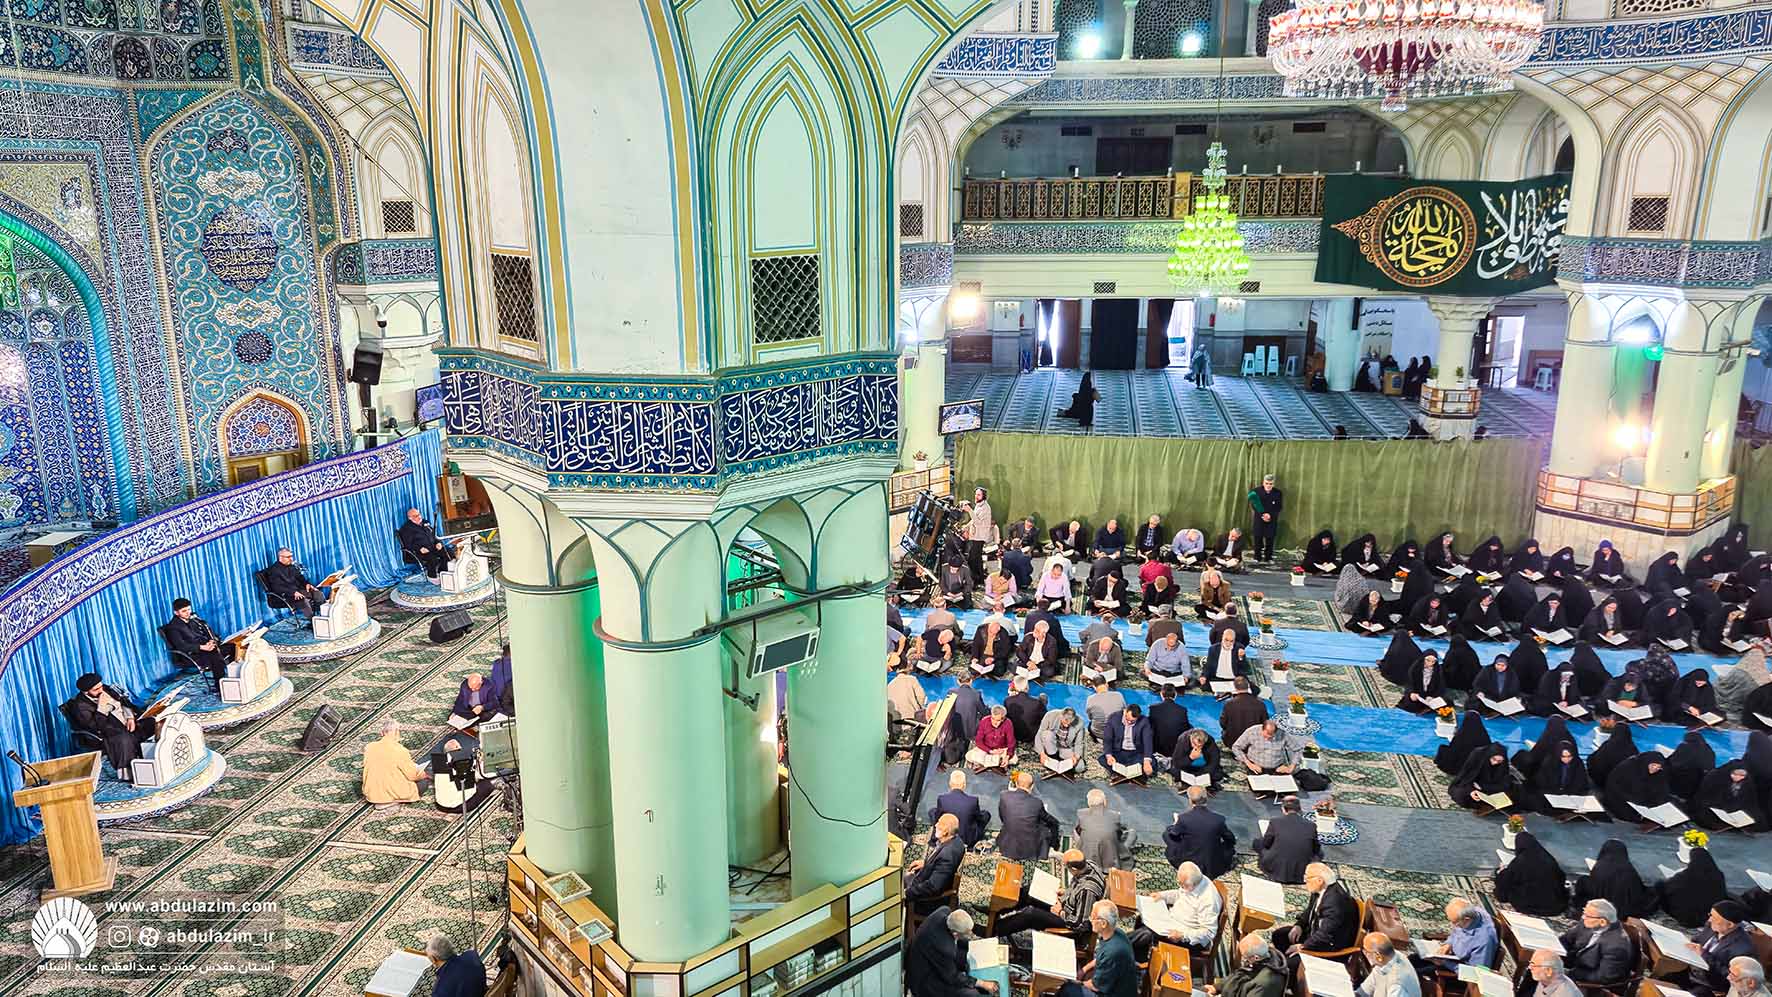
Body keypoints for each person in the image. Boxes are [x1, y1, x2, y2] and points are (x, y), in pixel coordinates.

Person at [993, 849, 1104, 942]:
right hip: (1066, 905)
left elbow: (1081, 925)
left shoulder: (1087, 891)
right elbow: (1078, 889)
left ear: (1074, 869)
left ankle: (995, 930)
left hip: (1069, 921)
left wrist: (1060, 912)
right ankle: (996, 911)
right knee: (1030, 891)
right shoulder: (1090, 865)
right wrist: (1067, 892)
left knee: (1031, 915)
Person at [66, 673, 157, 777]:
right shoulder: (80, 707)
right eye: (96, 689)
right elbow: (96, 727)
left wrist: (130, 717)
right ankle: (128, 772)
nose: (101, 690)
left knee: (152, 722)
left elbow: (124, 702)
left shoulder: (105, 689)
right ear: (86, 692)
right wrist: (101, 707)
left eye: (101, 686)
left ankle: (155, 755)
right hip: (109, 730)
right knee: (123, 738)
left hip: (127, 721)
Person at [1129, 862, 1221, 961]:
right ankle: (1135, 955)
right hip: (1173, 922)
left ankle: (1122, 947)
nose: (1181, 887)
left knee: (1148, 934)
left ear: (1192, 884)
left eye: (1183, 885)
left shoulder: (1209, 901)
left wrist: (1183, 935)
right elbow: (1179, 894)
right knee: (1143, 919)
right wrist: (1162, 896)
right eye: (1179, 883)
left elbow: (1208, 933)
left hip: (1190, 938)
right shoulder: (1194, 881)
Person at [1272, 863, 1358, 965]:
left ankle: (1286, 966)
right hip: (1315, 933)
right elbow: (1310, 910)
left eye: (1307, 878)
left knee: (1291, 963)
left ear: (1320, 880)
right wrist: (1299, 925)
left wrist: (1303, 947)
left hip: (1326, 947)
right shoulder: (1321, 889)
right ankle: (1283, 960)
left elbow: (1325, 935)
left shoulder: (1334, 904)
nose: (1305, 881)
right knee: (1279, 935)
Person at [907, 907, 998, 997]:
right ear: (955, 934)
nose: (971, 935)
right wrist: (982, 983)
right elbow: (952, 977)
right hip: (924, 979)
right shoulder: (945, 948)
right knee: (972, 994)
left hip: (929, 956)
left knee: (966, 956)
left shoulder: (944, 911)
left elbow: (960, 940)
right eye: (968, 933)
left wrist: (975, 944)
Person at [1057, 901, 1138, 997]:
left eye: (1093, 917)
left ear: (1103, 923)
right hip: (1112, 983)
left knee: (1067, 989)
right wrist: (1083, 970)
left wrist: (1076, 982)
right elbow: (1100, 957)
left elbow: (1096, 986)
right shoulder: (1115, 933)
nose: (1090, 920)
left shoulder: (1112, 952)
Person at [1571, 840, 1656, 920]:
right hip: (1627, 912)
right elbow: (1639, 891)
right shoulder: (1629, 870)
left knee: (1583, 881)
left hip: (1600, 912)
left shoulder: (1600, 868)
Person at [1559, 899, 1637, 986]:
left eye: (1587, 916)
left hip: (1588, 978)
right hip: (1575, 961)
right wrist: (1556, 953)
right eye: (1584, 913)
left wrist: (1570, 973)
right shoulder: (1589, 922)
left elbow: (1604, 976)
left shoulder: (1617, 946)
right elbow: (1566, 939)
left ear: (1602, 922)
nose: (1583, 917)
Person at [1163, 785, 1236, 877]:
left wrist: (1175, 824)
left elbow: (1174, 836)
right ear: (1206, 798)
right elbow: (1230, 839)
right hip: (1212, 865)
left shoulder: (1184, 819)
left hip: (1189, 863)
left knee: (1166, 834)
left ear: (1190, 800)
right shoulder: (1218, 819)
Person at [1494, 832, 1570, 917]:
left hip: (1529, 906)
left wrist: (1501, 872)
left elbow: (1505, 882)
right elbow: (1561, 878)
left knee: (1504, 880)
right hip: (1554, 907)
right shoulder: (1548, 858)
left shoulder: (1520, 862)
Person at [906, 813, 968, 913]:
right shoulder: (957, 841)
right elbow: (938, 864)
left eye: (939, 824)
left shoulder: (947, 856)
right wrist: (926, 863)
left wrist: (907, 893)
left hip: (927, 902)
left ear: (945, 832)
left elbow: (933, 887)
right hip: (924, 881)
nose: (936, 825)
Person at [163, 598, 236, 683]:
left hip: (205, 648)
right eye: (184, 611)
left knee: (233, 646)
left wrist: (211, 641)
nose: (188, 613)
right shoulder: (173, 627)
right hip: (191, 655)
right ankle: (219, 684)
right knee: (215, 654)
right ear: (176, 613)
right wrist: (202, 647)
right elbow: (181, 646)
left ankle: (234, 676)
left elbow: (206, 633)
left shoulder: (193, 620)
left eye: (189, 609)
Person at [1253, 795, 1321, 884]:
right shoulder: (1311, 825)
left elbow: (1266, 844)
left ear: (1283, 809)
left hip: (1277, 868)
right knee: (1320, 853)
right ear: (1300, 809)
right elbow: (1316, 849)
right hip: (1302, 871)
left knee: (1258, 843)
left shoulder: (1275, 822)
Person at [362, 719, 430, 807]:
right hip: (392, 792)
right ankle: (392, 800)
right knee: (423, 783)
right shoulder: (400, 750)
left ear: (381, 733)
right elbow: (412, 776)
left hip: (371, 794)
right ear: (397, 732)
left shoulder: (369, 747)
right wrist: (422, 775)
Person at [995, 770, 1060, 860]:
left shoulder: (1004, 796)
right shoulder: (1036, 802)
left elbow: (1002, 817)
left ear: (1016, 784)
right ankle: (1052, 848)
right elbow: (1048, 819)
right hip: (1030, 849)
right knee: (1049, 825)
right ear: (1032, 786)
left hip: (1007, 845)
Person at [1659, 848, 1729, 929]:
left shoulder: (1685, 876)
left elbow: (1668, 888)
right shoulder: (1718, 875)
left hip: (1685, 917)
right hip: (1708, 916)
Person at [1601, 750, 1676, 822]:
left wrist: (1656, 804)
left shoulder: (1659, 773)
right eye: (1653, 765)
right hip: (1621, 799)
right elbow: (1615, 788)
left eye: (1659, 767)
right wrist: (1640, 803)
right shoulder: (1627, 768)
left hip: (1643, 802)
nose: (1655, 768)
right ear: (1646, 762)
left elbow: (1662, 790)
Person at [1692, 762, 1767, 831]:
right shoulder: (1715, 778)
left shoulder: (1747, 782)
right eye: (1735, 774)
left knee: (1758, 819)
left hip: (1737, 810)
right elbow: (1706, 798)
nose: (1738, 777)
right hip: (1716, 807)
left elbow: (1750, 801)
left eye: (1742, 775)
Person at [1075, 788, 1135, 871]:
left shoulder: (1081, 814)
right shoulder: (1115, 815)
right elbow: (1119, 835)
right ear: (1105, 802)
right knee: (1132, 833)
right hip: (1111, 863)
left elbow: (1078, 832)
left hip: (1087, 860)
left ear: (1089, 803)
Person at [1210, 934, 1288, 997]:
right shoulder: (1261, 957)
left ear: (1256, 957)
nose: (1244, 960)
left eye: (1245, 957)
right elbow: (1239, 975)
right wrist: (1217, 987)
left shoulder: (1264, 984)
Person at [929, 769, 991, 847]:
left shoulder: (942, 799)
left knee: (932, 812)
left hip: (947, 833)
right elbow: (978, 818)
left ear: (950, 783)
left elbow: (938, 818)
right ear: (964, 785)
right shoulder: (973, 801)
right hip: (967, 838)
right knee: (986, 815)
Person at [1449, 742, 1519, 811]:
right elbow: (1466, 777)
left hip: (1489, 787)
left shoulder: (1502, 763)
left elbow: (1504, 783)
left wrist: (1483, 787)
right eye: (1494, 759)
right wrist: (1471, 791)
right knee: (1460, 794)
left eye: (1499, 761)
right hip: (1472, 784)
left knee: (1515, 794)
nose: (1495, 763)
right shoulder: (1477, 754)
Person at [1433, 898, 1498, 971]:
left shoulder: (1483, 942)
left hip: (1460, 969)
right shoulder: (1470, 912)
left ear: (1467, 919)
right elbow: (1456, 932)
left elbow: (1476, 972)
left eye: (1454, 923)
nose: (1452, 926)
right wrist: (1448, 944)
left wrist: (1445, 963)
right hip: (1451, 957)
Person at [264, 547, 325, 623]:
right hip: (284, 595)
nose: (291, 559)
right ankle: (313, 622)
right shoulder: (273, 570)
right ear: (280, 557)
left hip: (298, 591)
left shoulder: (292, 567)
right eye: (288, 557)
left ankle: (323, 617)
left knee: (318, 594)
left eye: (291, 556)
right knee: (302, 600)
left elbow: (300, 578)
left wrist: (307, 584)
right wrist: (293, 592)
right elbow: (277, 587)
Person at [1357, 932, 1420, 997]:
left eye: (1366, 951)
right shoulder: (1387, 959)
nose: (1364, 953)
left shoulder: (1396, 986)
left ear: (1378, 956)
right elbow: (1364, 990)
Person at [399, 508, 455, 579]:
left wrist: (438, 542)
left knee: (449, 552)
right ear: (410, 518)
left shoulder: (426, 523)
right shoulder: (406, 529)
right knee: (432, 558)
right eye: (415, 516)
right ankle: (431, 576)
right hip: (418, 552)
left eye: (419, 514)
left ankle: (442, 572)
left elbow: (434, 535)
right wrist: (419, 549)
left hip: (432, 547)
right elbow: (407, 544)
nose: (419, 517)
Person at [1233, 718, 1300, 777]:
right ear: (1262, 729)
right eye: (1265, 736)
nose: (1267, 739)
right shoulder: (1251, 732)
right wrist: (1248, 763)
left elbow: (1298, 749)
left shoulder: (1283, 734)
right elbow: (1236, 747)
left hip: (1277, 768)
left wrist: (1292, 766)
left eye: (1271, 737)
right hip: (1255, 766)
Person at [1101, 704, 1154, 779]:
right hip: (1119, 751)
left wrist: (1147, 761)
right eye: (1127, 719)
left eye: (1132, 721)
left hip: (1136, 753)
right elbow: (1107, 738)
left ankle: (1123, 772)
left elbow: (1147, 741)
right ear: (1125, 711)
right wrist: (1109, 756)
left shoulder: (1144, 721)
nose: (1129, 722)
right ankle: (1133, 772)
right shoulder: (1113, 717)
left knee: (1152, 763)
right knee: (1103, 759)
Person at [1219, 677, 1270, 749]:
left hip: (1232, 741)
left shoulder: (1229, 704)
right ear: (1248, 686)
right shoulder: (1260, 704)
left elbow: (1223, 723)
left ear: (1235, 687)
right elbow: (1265, 723)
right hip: (1253, 741)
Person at [1036, 708, 1086, 775]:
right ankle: (1052, 757)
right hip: (1051, 746)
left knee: (1080, 767)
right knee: (1047, 734)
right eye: (1065, 722)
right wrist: (1042, 753)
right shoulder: (1050, 715)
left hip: (1066, 748)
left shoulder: (1080, 722)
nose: (1066, 725)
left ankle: (1059, 764)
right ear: (1061, 716)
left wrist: (1076, 757)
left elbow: (1079, 743)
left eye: (1069, 723)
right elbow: (1039, 734)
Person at [1147, 684, 1191, 757]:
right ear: (1175, 695)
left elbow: (1150, 726)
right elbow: (1186, 728)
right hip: (1175, 749)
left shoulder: (1153, 708)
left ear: (1161, 694)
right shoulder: (1182, 710)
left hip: (1156, 748)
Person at [968, 705, 1015, 771]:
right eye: (993, 718)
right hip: (986, 749)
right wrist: (991, 751)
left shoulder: (1008, 723)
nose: (994, 722)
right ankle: (996, 762)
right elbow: (978, 741)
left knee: (1014, 759)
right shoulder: (984, 721)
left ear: (1003, 719)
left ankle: (991, 762)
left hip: (1001, 750)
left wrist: (1007, 757)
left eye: (998, 720)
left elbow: (1011, 742)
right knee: (969, 756)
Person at [1248, 474, 1283, 563]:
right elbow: (1254, 505)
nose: (1268, 485)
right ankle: (1257, 557)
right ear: (1263, 483)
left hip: (1272, 520)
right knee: (1258, 538)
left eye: (1270, 484)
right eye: (1266, 483)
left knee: (1270, 539)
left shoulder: (1278, 493)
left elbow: (1279, 507)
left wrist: (1270, 515)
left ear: (1273, 484)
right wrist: (1262, 515)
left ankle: (1268, 557)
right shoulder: (1256, 492)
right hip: (1259, 519)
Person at [966, 488, 996, 582]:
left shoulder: (985, 508)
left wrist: (969, 510)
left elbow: (978, 522)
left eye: (979, 495)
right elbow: (974, 519)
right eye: (976, 494)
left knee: (973, 559)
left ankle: (976, 579)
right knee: (976, 559)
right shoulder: (978, 505)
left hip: (979, 537)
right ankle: (979, 578)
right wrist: (966, 526)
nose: (976, 496)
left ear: (984, 496)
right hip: (975, 536)